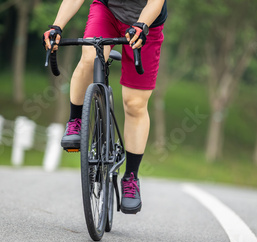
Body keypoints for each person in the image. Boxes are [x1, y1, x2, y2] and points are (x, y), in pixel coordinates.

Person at [43, 0, 167, 214]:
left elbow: (156, 3)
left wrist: (141, 25)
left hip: (147, 22)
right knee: (90, 59)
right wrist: (57, 26)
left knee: (135, 104)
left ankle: (130, 178)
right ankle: (76, 121)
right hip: (107, 11)